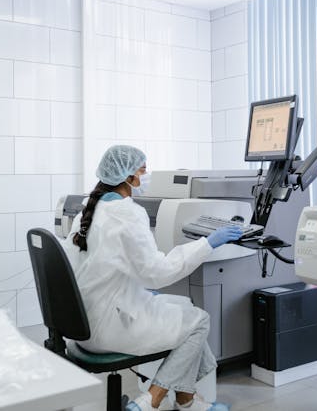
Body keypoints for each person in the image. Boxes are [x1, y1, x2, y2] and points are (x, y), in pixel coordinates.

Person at [66, 145, 242, 411]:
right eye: (142, 170)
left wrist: (139, 293)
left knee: (185, 307)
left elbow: (105, 268)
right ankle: (151, 399)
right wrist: (208, 243)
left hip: (84, 321)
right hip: (107, 328)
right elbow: (158, 273)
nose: (146, 176)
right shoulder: (127, 213)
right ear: (127, 177)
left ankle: (187, 400)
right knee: (199, 321)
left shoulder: (88, 211)